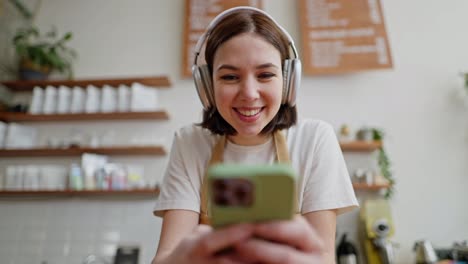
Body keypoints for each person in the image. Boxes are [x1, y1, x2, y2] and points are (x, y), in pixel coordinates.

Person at [152, 6, 358, 264]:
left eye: (265, 74)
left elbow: (323, 257)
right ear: (206, 87)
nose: (249, 93)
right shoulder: (190, 142)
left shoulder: (315, 139)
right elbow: (165, 258)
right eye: (229, 76)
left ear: (288, 82)